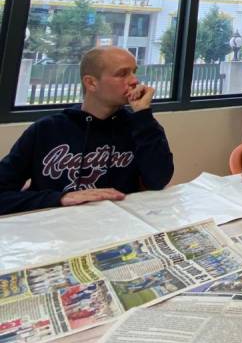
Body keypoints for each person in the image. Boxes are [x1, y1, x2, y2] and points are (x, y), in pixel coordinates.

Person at [0, 47, 173, 216]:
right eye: (122, 74)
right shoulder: (46, 130)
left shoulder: (141, 126)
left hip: (117, 223)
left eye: (134, 72)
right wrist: (60, 198)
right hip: (54, 226)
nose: (134, 81)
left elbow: (158, 181)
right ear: (91, 83)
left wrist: (143, 115)